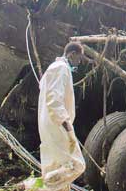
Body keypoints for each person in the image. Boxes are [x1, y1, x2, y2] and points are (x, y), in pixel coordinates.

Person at [37, 42, 86, 191]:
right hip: (57, 124)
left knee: (56, 166)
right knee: (77, 165)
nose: (79, 62)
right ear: (72, 54)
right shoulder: (61, 68)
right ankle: (37, 187)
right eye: (79, 58)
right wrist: (67, 126)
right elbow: (54, 100)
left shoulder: (52, 68)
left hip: (48, 123)